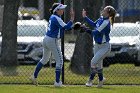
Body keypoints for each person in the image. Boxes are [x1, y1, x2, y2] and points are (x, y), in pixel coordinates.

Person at [30, 3, 74, 87]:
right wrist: (72, 19)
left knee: (44, 59)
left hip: (46, 39)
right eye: (61, 9)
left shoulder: (53, 17)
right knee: (60, 61)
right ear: (56, 10)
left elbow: (64, 27)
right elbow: (66, 27)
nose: (63, 10)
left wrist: (73, 26)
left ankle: (34, 76)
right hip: (52, 40)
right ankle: (57, 82)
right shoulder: (56, 18)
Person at [82, 6, 116, 87]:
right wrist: (85, 17)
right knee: (98, 65)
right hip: (97, 45)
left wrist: (86, 29)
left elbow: (96, 32)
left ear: (108, 14)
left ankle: (90, 80)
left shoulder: (106, 23)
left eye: (104, 10)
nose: (102, 11)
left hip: (105, 47)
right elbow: (94, 24)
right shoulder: (101, 18)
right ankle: (101, 80)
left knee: (93, 62)